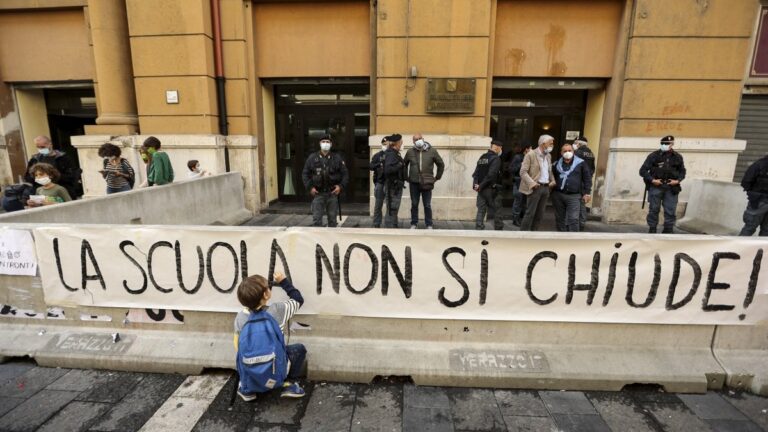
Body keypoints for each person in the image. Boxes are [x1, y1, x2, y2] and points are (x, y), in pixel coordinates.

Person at [234, 272, 306, 401]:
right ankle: (288, 384)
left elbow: (237, 345)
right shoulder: (277, 310)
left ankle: (247, 389)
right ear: (266, 295)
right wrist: (283, 281)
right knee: (299, 349)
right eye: (268, 287)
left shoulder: (240, 317)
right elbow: (298, 299)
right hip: (275, 369)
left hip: (250, 370)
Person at [639, 135, 686, 233]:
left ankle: (668, 229)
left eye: (667, 144)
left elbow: (682, 171)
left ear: (672, 144)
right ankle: (652, 229)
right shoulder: (653, 156)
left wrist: (677, 181)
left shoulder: (677, 157)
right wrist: (652, 180)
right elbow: (642, 171)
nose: (665, 145)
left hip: (671, 187)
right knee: (654, 209)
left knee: (670, 210)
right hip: (656, 186)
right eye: (663, 143)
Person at [301, 136, 349, 227]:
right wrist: (310, 187)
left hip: (332, 194)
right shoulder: (312, 158)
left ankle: (331, 241)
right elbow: (305, 174)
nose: (325, 143)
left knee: (332, 221)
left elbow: (345, 174)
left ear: (331, 144)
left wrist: (340, 186)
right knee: (317, 221)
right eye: (323, 141)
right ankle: (318, 241)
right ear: (320, 143)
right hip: (318, 194)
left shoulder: (337, 158)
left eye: (327, 142)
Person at [404, 133, 444, 229]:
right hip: (414, 182)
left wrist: (437, 177)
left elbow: (441, 164)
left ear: (423, 139)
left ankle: (429, 224)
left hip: (427, 182)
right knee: (414, 204)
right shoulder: (410, 152)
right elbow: (404, 164)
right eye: (415, 139)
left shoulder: (432, 151)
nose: (418, 140)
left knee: (427, 204)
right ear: (413, 141)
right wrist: (406, 177)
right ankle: (414, 223)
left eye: (419, 138)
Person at [551, 143, 592, 232]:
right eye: (565, 151)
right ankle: (561, 239)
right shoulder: (556, 164)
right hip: (558, 195)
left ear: (573, 152)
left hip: (574, 196)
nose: (567, 152)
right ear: (561, 153)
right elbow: (551, 178)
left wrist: (587, 193)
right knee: (560, 219)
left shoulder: (581, 163)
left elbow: (587, 178)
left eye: (569, 150)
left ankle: (573, 241)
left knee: (573, 219)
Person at [519, 135, 556, 231]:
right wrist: (532, 183)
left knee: (540, 214)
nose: (552, 145)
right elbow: (523, 172)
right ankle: (522, 235)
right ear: (543, 144)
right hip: (535, 187)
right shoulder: (530, 154)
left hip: (546, 188)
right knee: (530, 213)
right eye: (550, 143)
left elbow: (549, 170)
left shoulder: (548, 155)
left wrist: (552, 180)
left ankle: (534, 234)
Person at [472, 140, 504, 230]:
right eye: (501, 148)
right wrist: (481, 186)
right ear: (497, 147)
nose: (501, 150)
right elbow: (491, 175)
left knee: (481, 210)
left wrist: (476, 186)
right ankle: (498, 229)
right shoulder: (496, 158)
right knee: (497, 210)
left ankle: (479, 228)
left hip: (481, 190)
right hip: (491, 189)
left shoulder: (482, 157)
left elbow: (475, 174)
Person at [738, 153, 768, 236]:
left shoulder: (759, 164)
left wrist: (752, 193)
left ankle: (739, 247)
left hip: (759, 201)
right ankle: (763, 248)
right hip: (760, 200)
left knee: (749, 227)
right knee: (766, 231)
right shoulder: (759, 164)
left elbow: (746, 182)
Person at [383, 134, 406, 228]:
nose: (402, 143)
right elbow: (387, 170)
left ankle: (394, 227)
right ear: (396, 144)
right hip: (393, 187)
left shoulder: (394, 153)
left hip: (395, 186)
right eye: (400, 142)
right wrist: (399, 165)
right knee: (392, 209)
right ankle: (389, 229)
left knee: (393, 209)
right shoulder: (391, 154)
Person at [573, 136, 595, 230]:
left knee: (579, 203)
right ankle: (582, 222)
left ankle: (580, 223)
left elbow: (574, 167)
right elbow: (593, 168)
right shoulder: (591, 153)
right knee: (583, 202)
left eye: (575, 143)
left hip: (580, 181)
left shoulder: (578, 152)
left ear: (579, 143)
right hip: (587, 180)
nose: (574, 144)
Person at [509, 144, 531, 226]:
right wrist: (521, 164)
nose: (531, 150)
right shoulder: (518, 157)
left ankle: (522, 219)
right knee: (518, 201)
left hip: (527, 183)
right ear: (526, 149)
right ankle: (515, 219)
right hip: (518, 182)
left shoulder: (530, 157)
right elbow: (511, 169)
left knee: (525, 202)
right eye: (530, 148)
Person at [369, 137, 388, 228]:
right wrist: (379, 164)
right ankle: (376, 223)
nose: (385, 146)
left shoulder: (393, 154)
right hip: (379, 183)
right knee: (378, 205)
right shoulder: (377, 155)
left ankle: (389, 223)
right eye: (384, 144)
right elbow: (371, 166)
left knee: (390, 205)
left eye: (387, 144)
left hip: (389, 183)